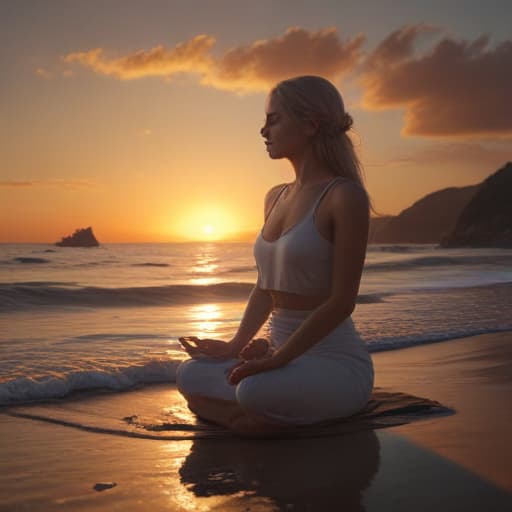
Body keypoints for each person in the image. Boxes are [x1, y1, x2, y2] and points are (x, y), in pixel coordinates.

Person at [176, 75, 374, 435]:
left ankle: (246, 416)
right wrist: (234, 346)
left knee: (254, 390)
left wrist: (278, 360)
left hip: (333, 362)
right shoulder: (275, 196)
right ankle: (251, 421)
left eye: (274, 118)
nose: (263, 129)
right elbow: (265, 287)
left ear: (311, 124)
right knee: (191, 373)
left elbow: (342, 302)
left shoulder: (344, 196)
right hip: (279, 357)